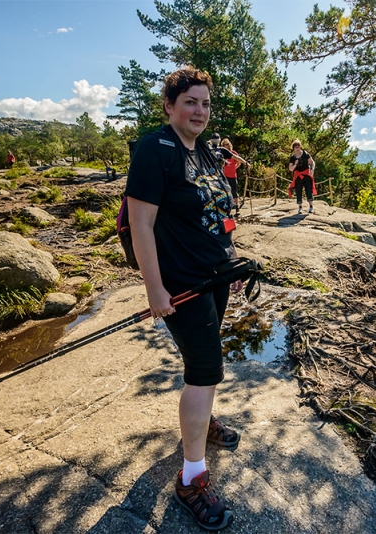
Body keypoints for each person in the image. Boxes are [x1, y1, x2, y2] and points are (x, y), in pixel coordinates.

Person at [125, 67, 241, 531]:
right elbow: (141, 225)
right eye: (190, 102)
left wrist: (230, 255)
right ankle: (191, 478)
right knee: (206, 368)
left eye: (206, 103)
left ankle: (203, 421)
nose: (199, 111)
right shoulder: (156, 150)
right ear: (170, 106)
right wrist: (155, 289)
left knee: (205, 363)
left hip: (214, 276)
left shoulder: (208, 153)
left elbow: (217, 211)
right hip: (182, 283)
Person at [219, 138, 250, 213]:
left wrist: (234, 167)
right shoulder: (221, 154)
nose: (225, 146)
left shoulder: (233, 153)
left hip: (232, 175)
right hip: (224, 175)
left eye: (226, 144)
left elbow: (238, 161)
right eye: (223, 145)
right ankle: (227, 208)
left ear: (229, 145)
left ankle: (237, 207)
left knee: (234, 191)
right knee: (225, 192)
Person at [288, 139, 316, 214]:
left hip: (306, 175)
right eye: (295, 146)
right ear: (293, 148)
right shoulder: (293, 157)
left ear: (300, 146)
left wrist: (312, 170)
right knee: (298, 191)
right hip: (297, 176)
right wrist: (295, 164)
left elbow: (312, 162)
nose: (297, 148)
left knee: (309, 191)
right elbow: (290, 169)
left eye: (298, 146)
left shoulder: (305, 154)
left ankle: (311, 206)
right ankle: (300, 207)